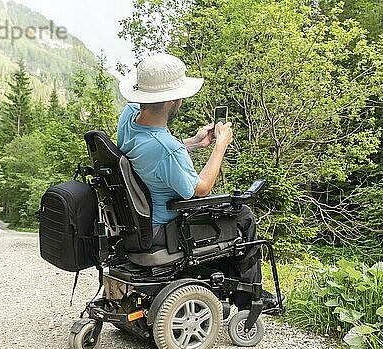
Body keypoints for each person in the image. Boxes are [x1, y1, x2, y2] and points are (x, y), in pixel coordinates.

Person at [117, 53, 278, 310]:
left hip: (135, 223)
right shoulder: (167, 149)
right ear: (172, 100)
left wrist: (193, 142)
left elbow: (150, 154)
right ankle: (250, 300)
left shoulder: (129, 117)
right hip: (162, 228)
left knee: (224, 216)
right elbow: (201, 189)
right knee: (242, 215)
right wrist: (220, 145)